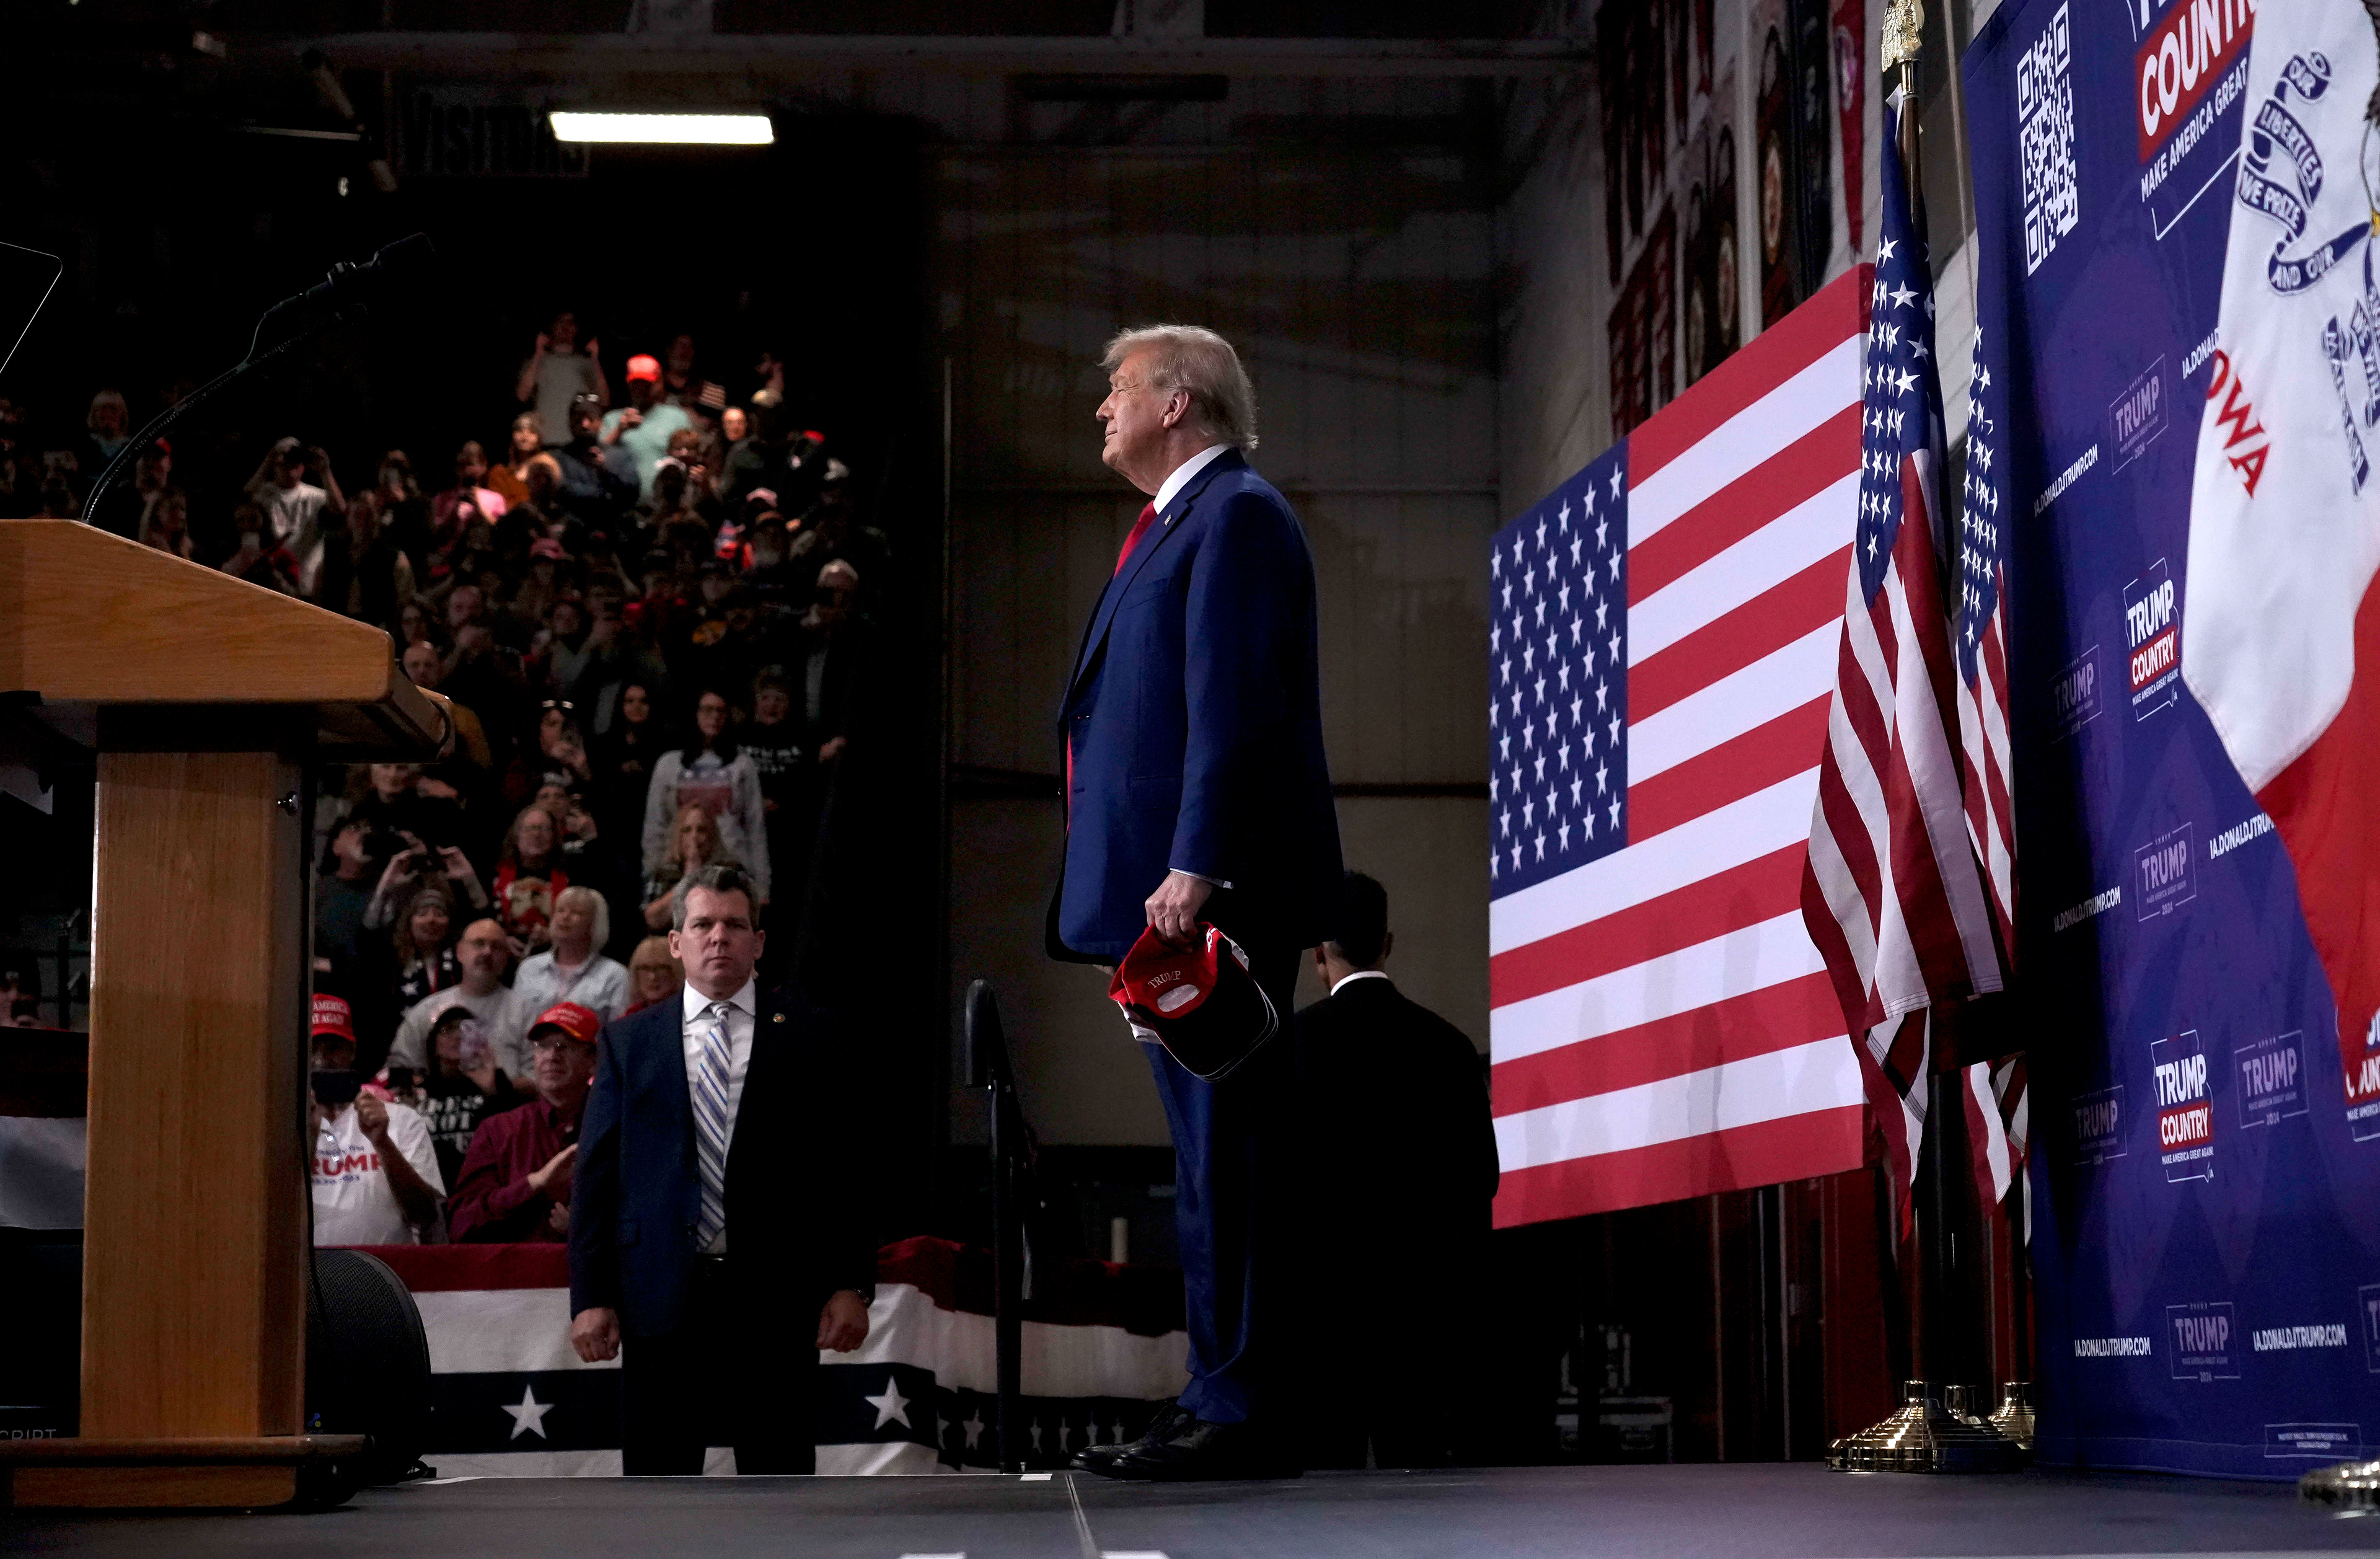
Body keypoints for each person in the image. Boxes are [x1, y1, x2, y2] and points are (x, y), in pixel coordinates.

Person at [1058, 325, 1342, 1481]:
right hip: (1170, 899)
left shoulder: (1237, 515)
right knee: (1209, 1155)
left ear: (1177, 402)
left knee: (1231, 1156)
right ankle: (1219, 1390)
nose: (1100, 410)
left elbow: (1236, 703)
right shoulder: (1181, 524)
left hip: (1206, 899)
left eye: (1115, 390)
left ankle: (1242, 1406)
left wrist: (1197, 863)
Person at [568, 865, 876, 1473]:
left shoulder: (815, 1034)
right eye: (702, 923)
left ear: (758, 942)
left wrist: (851, 1282)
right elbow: (596, 1180)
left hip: (777, 1298)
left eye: (735, 924)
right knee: (658, 1496)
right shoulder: (628, 1042)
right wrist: (590, 1294)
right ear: (676, 941)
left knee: (781, 1485)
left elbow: (847, 1169)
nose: (719, 937)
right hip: (657, 1296)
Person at [1291, 871, 1498, 1470]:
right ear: (1388, 942)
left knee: (1325, 1486)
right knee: (1421, 1479)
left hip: (1322, 1309)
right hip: (1421, 1310)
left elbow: (1272, 1182)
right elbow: (1479, 1177)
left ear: (1317, 953)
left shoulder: (1293, 1046)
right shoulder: (1449, 1045)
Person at [448, 1001, 601, 1243]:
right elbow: (461, 1224)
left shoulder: (616, 1130)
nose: (552, 1056)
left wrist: (589, 1229)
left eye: (564, 1046)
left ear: (593, 1061)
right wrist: (533, 1183)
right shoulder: (498, 1131)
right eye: (543, 1047)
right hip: (516, 1278)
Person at [309, 995, 445, 1246]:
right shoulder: (279, 1126)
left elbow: (426, 1216)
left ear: (352, 1051)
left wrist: (383, 1142)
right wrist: (306, 1136)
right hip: (303, 1276)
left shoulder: (401, 1119)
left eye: (333, 1048)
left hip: (383, 1273)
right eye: (312, 1048)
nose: (321, 1060)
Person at [640, 689, 770, 906]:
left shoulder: (742, 765)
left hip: (731, 868)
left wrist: (763, 886)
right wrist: (651, 873)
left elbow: (755, 828)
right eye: (707, 710)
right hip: (675, 870)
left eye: (721, 711)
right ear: (695, 714)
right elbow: (655, 824)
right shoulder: (668, 764)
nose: (715, 717)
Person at [396, 1004, 526, 1187]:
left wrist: (491, 1092)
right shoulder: (416, 1091)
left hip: (484, 1187)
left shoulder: (497, 1082)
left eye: (467, 1030)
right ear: (434, 1046)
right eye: (449, 1029)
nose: (458, 1036)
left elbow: (513, 1144)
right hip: (431, 1189)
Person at [388, 917, 523, 1075]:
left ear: (506, 957)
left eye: (497, 947)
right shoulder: (427, 1010)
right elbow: (399, 1068)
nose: (487, 952)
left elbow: (537, 1079)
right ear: (460, 952)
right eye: (479, 943)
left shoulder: (525, 1011)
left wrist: (499, 1088)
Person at [508, 885, 630, 1044]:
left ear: (594, 924)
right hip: (532, 1061)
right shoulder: (529, 968)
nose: (565, 917)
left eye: (577, 913)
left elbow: (619, 1036)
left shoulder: (614, 975)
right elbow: (514, 1028)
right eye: (560, 911)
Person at [602, 355, 694, 502]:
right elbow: (598, 457)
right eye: (636, 383)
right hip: (622, 506)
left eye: (647, 384)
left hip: (667, 505)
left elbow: (692, 457)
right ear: (628, 384)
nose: (641, 389)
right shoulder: (613, 419)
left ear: (660, 383)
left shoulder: (677, 417)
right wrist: (620, 430)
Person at [517, 311, 608, 446]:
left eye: (571, 323)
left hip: (578, 443)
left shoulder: (585, 363)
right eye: (561, 322)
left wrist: (595, 358)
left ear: (576, 328)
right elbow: (522, 396)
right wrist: (539, 353)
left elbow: (605, 400)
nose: (566, 327)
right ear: (552, 327)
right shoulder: (536, 363)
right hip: (545, 442)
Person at [643, 800, 734, 932]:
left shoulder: (729, 872)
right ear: (678, 836)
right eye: (687, 830)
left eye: (701, 830)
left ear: (712, 836)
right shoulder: (662, 873)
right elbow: (653, 920)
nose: (694, 837)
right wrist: (690, 876)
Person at [623, 934, 683, 1014]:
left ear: (675, 971)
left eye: (661, 968)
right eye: (645, 968)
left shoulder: (688, 1015)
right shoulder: (628, 1018)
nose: (653, 977)